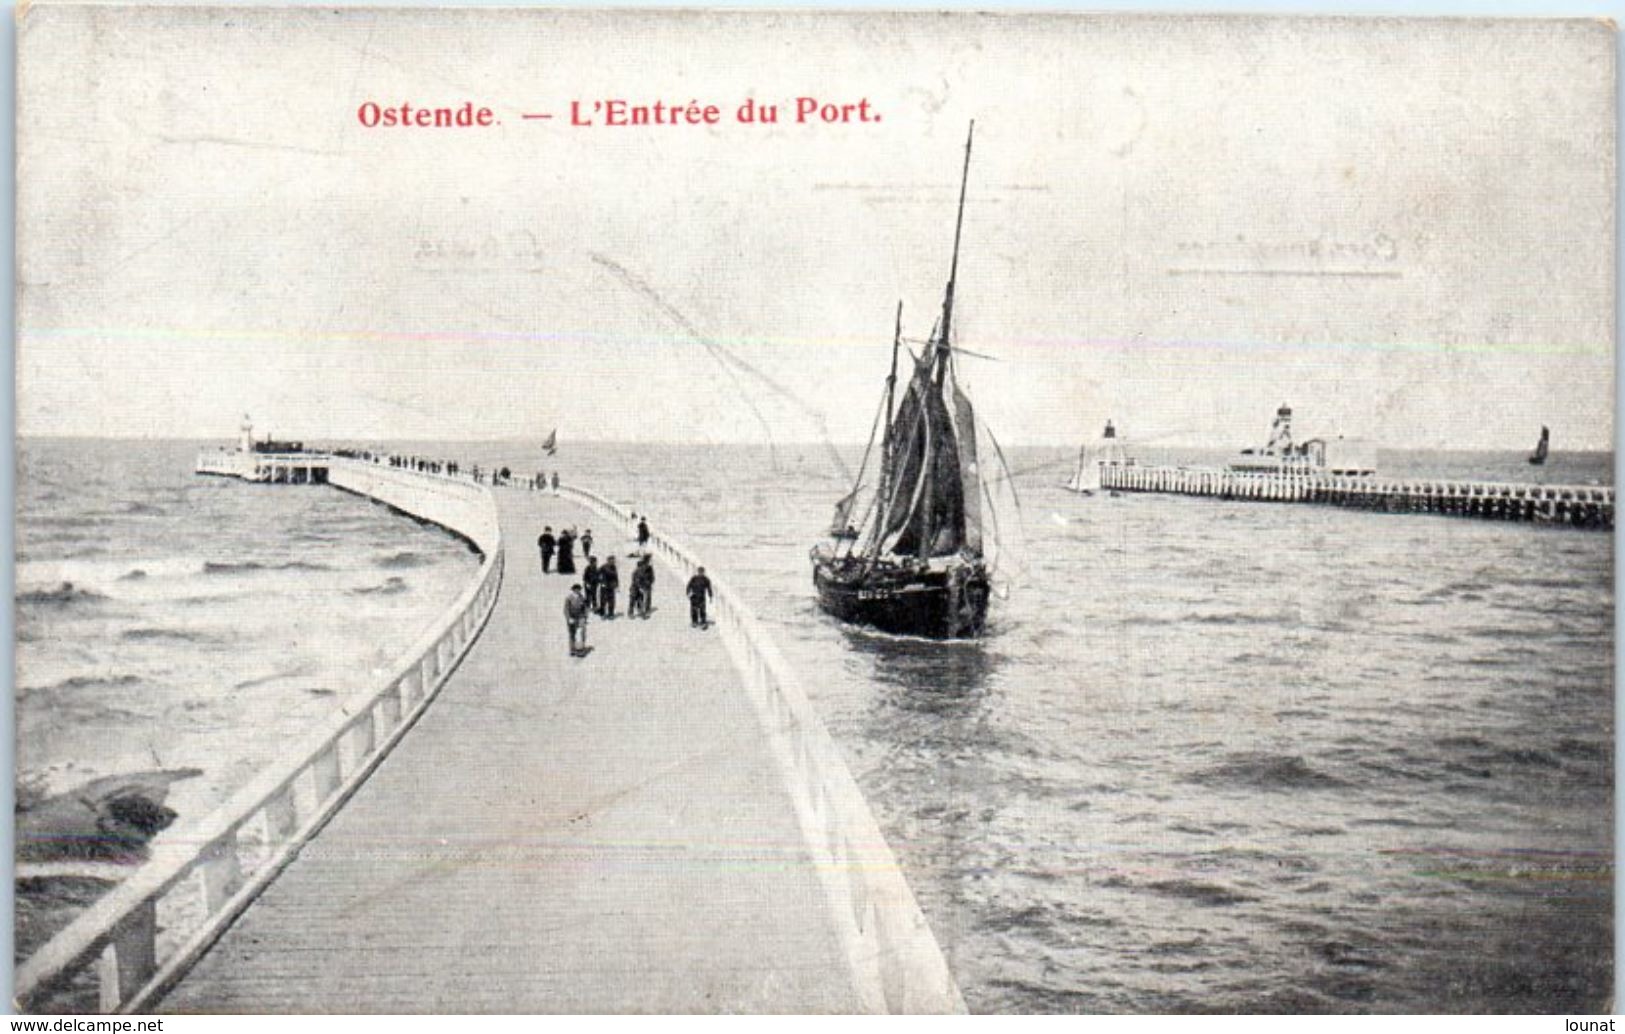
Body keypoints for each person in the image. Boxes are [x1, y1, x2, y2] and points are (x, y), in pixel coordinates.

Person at [564, 584, 589, 656]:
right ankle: (572, 649)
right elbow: (566, 609)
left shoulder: (582, 597)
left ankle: (581, 649)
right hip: (572, 618)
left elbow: (585, 608)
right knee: (572, 634)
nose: (578, 591)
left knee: (581, 633)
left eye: (579, 589)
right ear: (573, 590)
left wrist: (585, 616)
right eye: (576, 589)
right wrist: (568, 618)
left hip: (581, 617)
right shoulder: (569, 598)